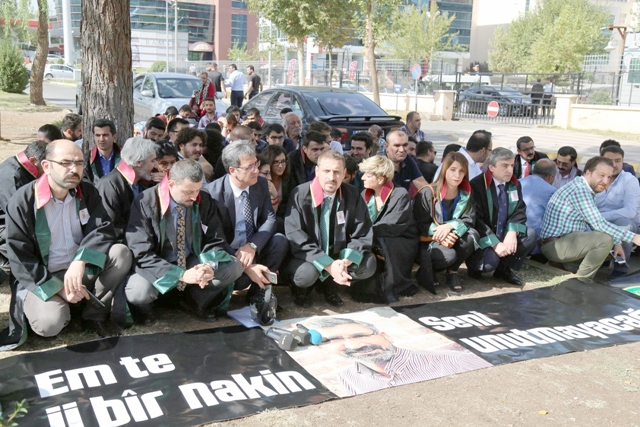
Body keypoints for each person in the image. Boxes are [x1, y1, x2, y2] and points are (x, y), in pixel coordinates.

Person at [1, 140, 132, 349]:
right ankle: (66, 306)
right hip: (44, 276)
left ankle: (94, 315)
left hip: (79, 270)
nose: (74, 169)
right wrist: (59, 289)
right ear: (46, 166)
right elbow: (20, 257)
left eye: (79, 163)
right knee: (49, 324)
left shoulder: (88, 192)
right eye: (65, 163)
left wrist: (81, 260)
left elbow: (102, 229)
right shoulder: (23, 201)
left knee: (120, 253)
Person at [125, 160, 244, 323]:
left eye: (197, 190)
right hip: (158, 264)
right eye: (188, 192)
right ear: (171, 184)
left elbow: (215, 238)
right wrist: (180, 275)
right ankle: (151, 308)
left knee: (234, 266)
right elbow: (141, 253)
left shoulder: (203, 199)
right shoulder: (145, 202)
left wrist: (208, 266)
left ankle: (194, 301)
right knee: (139, 292)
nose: (194, 197)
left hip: (192, 261)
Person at [298, 316, 491, 396]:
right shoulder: (347, 378)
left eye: (361, 336)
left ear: (385, 336)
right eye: (336, 340)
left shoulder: (454, 361)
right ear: (324, 349)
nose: (356, 345)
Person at [284, 150, 376, 307]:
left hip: (338, 254)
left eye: (337, 172)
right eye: (326, 171)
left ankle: (329, 286)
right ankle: (300, 289)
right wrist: (327, 264)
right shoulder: (300, 194)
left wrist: (346, 260)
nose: (331, 177)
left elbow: (362, 232)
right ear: (317, 171)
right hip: (307, 257)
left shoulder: (352, 194)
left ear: (344, 173)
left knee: (368, 264)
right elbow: (295, 236)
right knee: (306, 275)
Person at [205, 142, 289, 303]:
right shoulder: (213, 194)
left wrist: (252, 245)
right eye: (249, 167)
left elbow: (270, 219)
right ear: (232, 170)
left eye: (256, 164)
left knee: (280, 241)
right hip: (228, 252)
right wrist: (245, 266)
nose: (256, 170)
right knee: (242, 280)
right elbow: (216, 239)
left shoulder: (260, 183)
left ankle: (259, 293)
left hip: (252, 246)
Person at [541, 156, 640, 279]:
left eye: (609, 177)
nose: (605, 181)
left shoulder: (584, 188)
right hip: (555, 246)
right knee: (604, 240)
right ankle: (581, 280)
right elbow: (599, 224)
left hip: (565, 242)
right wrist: (634, 237)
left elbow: (594, 223)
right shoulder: (580, 190)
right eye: (602, 175)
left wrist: (617, 242)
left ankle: (569, 268)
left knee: (609, 244)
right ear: (588, 173)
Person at [467, 148, 536, 286]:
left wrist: (512, 232)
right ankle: (475, 267)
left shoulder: (514, 184)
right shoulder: (477, 185)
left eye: (512, 165)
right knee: (488, 264)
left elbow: (519, 210)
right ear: (491, 167)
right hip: (485, 236)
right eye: (504, 166)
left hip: (504, 232)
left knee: (530, 235)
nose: (510, 170)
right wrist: (495, 243)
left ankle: (504, 270)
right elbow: (476, 220)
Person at [414, 152, 478, 293]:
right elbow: (419, 224)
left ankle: (452, 272)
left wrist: (450, 226)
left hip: (452, 237)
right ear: (444, 170)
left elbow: (469, 220)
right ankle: (427, 271)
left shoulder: (466, 194)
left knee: (472, 236)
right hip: (429, 241)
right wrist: (440, 233)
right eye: (453, 169)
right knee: (448, 256)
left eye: (461, 171)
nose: (457, 175)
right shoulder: (428, 192)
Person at [359, 156, 418, 302]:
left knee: (386, 241)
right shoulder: (364, 195)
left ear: (380, 179)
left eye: (367, 175)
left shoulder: (400, 194)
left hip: (400, 240)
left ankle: (391, 285)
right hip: (375, 237)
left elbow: (392, 226)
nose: (362, 178)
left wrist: (363, 233)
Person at [0, 140, 47, 282]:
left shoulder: (22, 168)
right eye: (45, 165)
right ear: (33, 161)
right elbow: (15, 215)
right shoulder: (11, 175)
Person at [97, 137, 158, 242]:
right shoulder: (108, 185)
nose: (156, 165)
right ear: (138, 163)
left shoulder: (143, 183)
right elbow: (111, 227)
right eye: (152, 161)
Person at [596, 146, 640, 278]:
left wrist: (600, 217)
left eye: (618, 161)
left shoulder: (629, 180)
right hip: (598, 221)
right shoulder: (594, 178)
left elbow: (630, 212)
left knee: (624, 225)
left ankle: (620, 270)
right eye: (610, 161)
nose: (614, 165)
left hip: (623, 222)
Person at [519, 158, 557, 259]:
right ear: (551, 177)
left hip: (511, 234)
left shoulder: (517, 183)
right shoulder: (551, 191)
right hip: (534, 243)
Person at [385, 131, 428, 195]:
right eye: (397, 145)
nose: (402, 150)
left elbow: (422, 184)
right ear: (386, 147)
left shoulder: (407, 159)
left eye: (405, 145)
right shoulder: (380, 164)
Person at [262, 144, 289, 233]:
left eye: (283, 161)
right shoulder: (262, 180)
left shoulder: (288, 180)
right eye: (276, 162)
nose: (280, 166)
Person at [84, 119, 121, 184]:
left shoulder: (123, 158)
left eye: (105, 135)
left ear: (114, 137)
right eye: (98, 135)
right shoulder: (86, 159)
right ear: (94, 137)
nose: (101, 139)